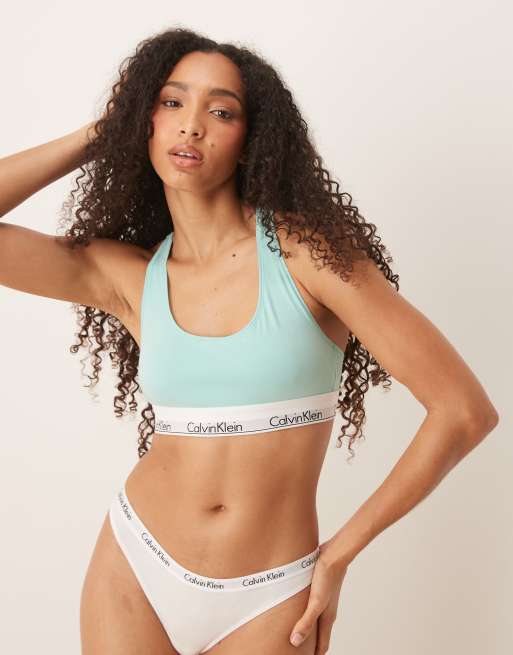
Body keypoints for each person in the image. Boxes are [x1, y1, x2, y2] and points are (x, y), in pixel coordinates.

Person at [0, 27, 499, 655]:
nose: (191, 126)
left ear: (250, 140)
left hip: (272, 592)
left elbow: (463, 411)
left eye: (221, 112)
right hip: (136, 566)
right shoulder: (129, 278)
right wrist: (103, 131)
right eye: (171, 103)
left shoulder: (309, 256)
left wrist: (340, 555)